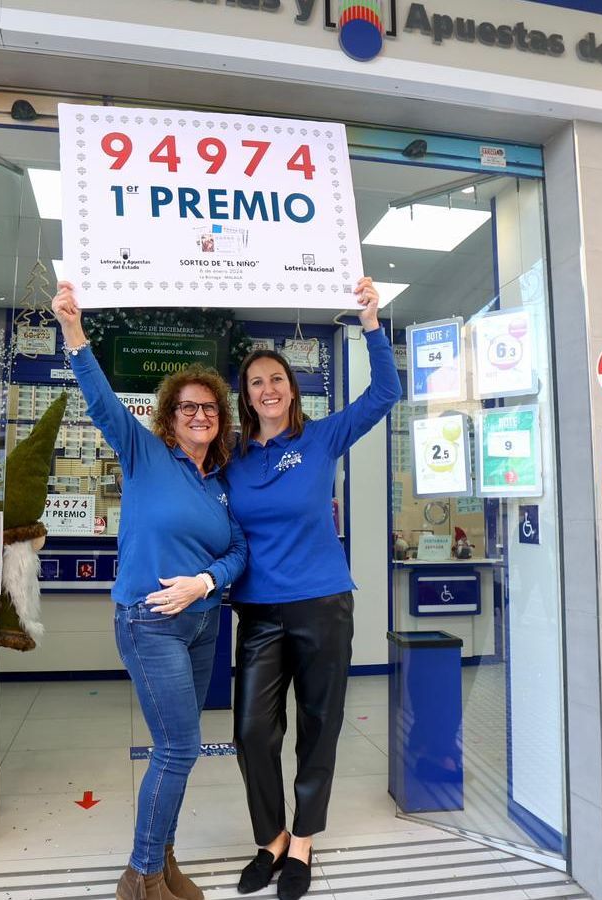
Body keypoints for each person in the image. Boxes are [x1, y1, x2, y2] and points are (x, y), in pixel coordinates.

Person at [53, 282, 247, 900]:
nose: (199, 415)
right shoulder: (143, 452)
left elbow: (238, 551)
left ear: (220, 420)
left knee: (178, 752)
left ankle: (163, 862)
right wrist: (74, 332)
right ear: (170, 415)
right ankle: (140, 877)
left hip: (203, 620)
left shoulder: (220, 481)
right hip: (151, 621)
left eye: (209, 409)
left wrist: (206, 581)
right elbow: (102, 401)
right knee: (179, 746)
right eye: (188, 407)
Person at [228, 277, 399, 900]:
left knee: (318, 724)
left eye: (276, 379)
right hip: (259, 611)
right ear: (245, 398)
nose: (268, 389)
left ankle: (301, 842)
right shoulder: (234, 457)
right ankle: (268, 836)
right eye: (255, 383)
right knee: (252, 730)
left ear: (291, 389)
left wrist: (371, 323)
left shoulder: (321, 437)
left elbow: (386, 392)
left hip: (323, 603)